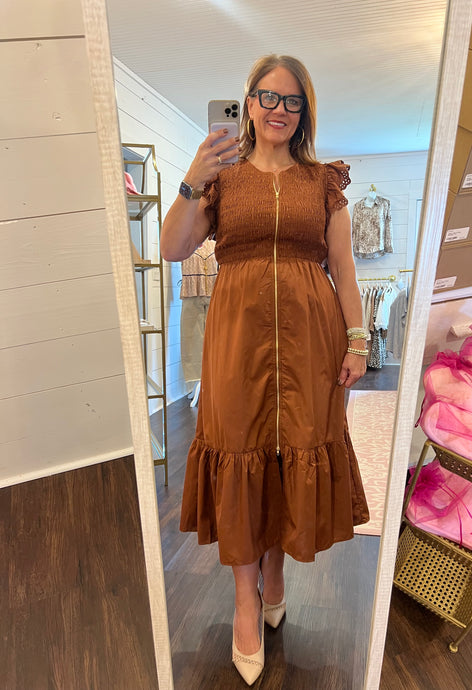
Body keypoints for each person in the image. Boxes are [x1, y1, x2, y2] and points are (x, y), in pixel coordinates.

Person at [160, 54, 370, 686]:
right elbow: (172, 248)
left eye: (292, 100)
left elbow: (344, 269)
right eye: (268, 97)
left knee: (287, 453)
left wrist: (357, 340)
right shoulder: (220, 179)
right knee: (238, 448)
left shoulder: (324, 182)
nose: (279, 110)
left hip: (311, 339)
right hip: (236, 339)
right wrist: (192, 178)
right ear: (248, 103)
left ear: (305, 112)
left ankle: (275, 573)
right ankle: (245, 600)